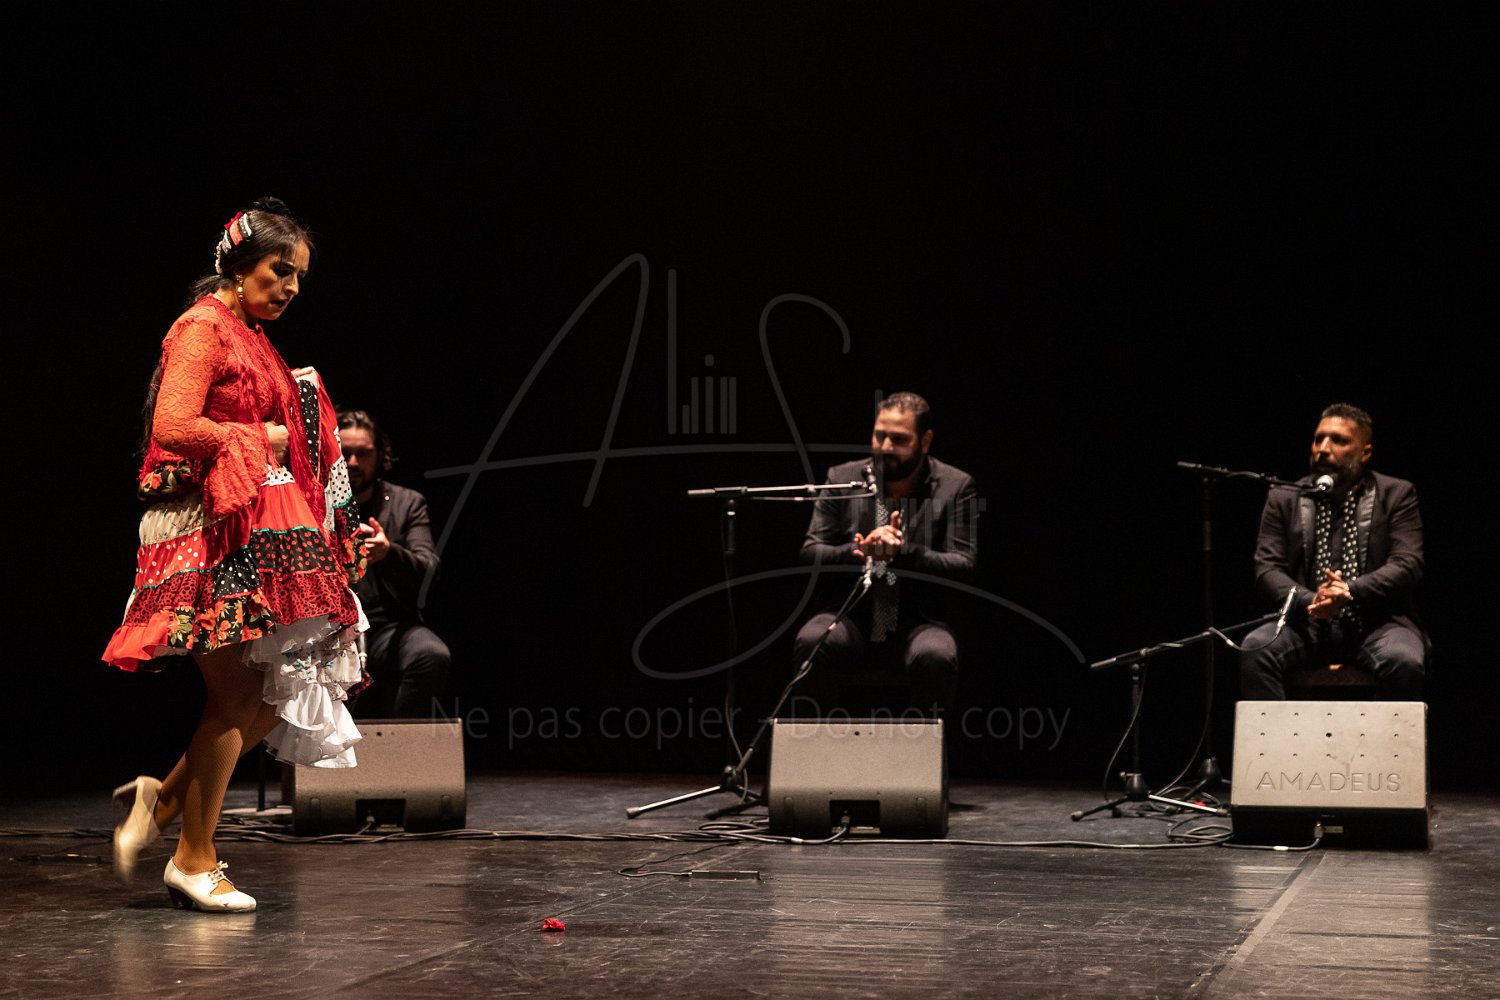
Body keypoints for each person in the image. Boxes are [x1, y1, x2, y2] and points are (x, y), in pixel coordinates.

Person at [101, 198, 368, 912]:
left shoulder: (250, 333)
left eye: (299, 276)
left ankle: (162, 805)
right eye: (281, 270)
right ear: (239, 265)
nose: (291, 287)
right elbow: (173, 425)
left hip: (254, 520)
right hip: (208, 525)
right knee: (243, 693)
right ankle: (192, 858)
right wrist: (259, 439)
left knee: (278, 694)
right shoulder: (202, 327)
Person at [789, 392, 979, 719]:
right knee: (812, 640)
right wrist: (862, 551)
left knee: (936, 655)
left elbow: (964, 565)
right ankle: (816, 749)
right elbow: (810, 552)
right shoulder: (841, 478)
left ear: (925, 441)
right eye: (880, 435)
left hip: (919, 620)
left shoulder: (957, 485)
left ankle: (919, 752)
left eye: (899, 439)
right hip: (852, 616)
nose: (886, 446)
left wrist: (902, 552)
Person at [1239, 402, 1428, 701]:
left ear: (1365, 452)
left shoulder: (1396, 494)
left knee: (1403, 660)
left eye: (1339, 440)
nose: (1323, 449)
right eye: (1319, 439)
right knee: (1256, 649)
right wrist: (1312, 600)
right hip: (1305, 622)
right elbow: (1267, 569)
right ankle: (1284, 736)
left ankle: (1377, 735)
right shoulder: (1284, 496)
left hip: (1376, 622)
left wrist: (1349, 591)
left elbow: (1408, 563)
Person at [336, 408, 451, 718]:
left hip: (388, 626)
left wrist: (390, 553)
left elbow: (430, 570)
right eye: (344, 453)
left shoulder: (407, 503)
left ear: (380, 456)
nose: (353, 463)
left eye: (363, 453)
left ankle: (401, 745)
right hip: (328, 630)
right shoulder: (313, 504)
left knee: (431, 654)